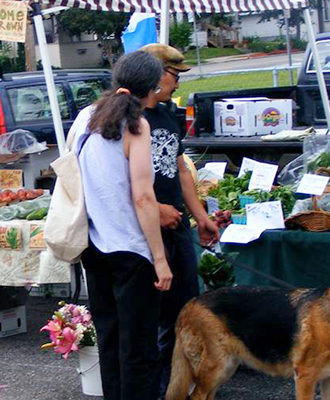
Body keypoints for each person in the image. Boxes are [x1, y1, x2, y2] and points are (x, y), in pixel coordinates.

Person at [74, 51, 173, 400]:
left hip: (95, 246)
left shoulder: (86, 116)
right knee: (139, 348)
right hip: (131, 250)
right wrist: (160, 259)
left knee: (110, 340)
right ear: (152, 89)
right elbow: (143, 196)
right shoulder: (137, 125)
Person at [137, 43, 220, 397]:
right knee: (155, 314)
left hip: (178, 226)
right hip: (144, 230)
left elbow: (181, 170)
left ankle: (180, 384)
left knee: (187, 307)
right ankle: (157, 388)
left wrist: (200, 216)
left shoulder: (170, 114)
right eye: (174, 75)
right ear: (155, 76)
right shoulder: (132, 117)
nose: (177, 84)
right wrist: (156, 209)